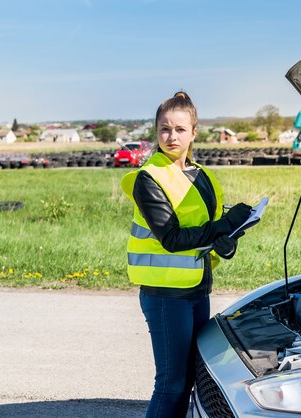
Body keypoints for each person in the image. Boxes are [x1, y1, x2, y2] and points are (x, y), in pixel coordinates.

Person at [121, 91, 251, 418]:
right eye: (165, 129)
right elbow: (173, 238)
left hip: (197, 289)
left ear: (194, 132)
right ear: (156, 132)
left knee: (191, 378)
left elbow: (211, 229)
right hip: (165, 295)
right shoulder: (149, 179)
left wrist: (228, 237)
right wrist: (222, 227)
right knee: (171, 383)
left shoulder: (203, 177)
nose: (172, 136)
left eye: (180, 129)